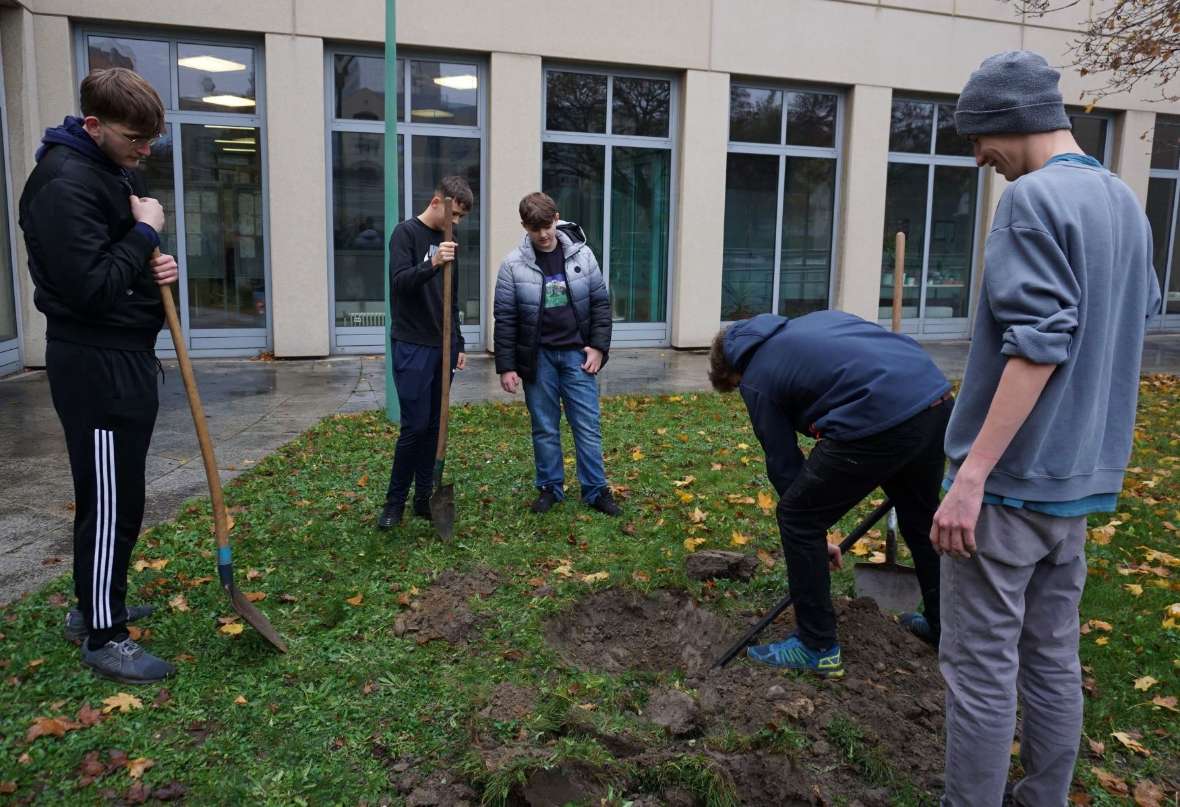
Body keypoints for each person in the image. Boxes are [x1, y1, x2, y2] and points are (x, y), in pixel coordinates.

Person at [932, 51, 1161, 807]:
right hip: (1079, 486)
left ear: (1007, 120)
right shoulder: (1123, 202)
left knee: (981, 667)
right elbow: (1132, 315)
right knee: (1052, 656)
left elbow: (1039, 342)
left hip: (1008, 490)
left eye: (978, 137)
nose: (978, 156)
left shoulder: (1030, 202)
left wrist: (971, 477)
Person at [19, 68, 179, 683]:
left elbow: (120, 262)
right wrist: (145, 233)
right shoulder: (64, 184)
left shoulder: (109, 171)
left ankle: (96, 601)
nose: (144, 152)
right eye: (135, 139)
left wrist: (150, 260)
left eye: (151, 142)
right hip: (96, 363)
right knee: (111, 501)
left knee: (119, 495)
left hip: (124, 354)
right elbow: (90, 290)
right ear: (93, 125)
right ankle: (102, 633)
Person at [708, 310, 953, 677]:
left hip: (880, 416)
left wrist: (812, 533)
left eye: (734, 386)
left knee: (796, 516)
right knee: (920, 521)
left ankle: (816, 645)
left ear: (732, 372)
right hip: (933, 398)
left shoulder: (757, 376)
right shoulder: (811, 323)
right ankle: (946, 631)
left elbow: (784, 463)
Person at [494, 192, 620, 516]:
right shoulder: (512, 265)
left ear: (556, 218)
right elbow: (505, 318)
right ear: (525, 226)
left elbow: (600, 305)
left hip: (577, 355)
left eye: (548, 226)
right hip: (539, 360)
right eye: (536, 229)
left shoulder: (583, 255)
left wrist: (599, 347)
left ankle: (595, 491)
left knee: (587, 424)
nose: (544, 234)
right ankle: (550, 488)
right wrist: (506, 367)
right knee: (545, 426)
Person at [377, 176, 471, 529]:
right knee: (414, 426)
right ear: (437, 202)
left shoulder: (450, 239)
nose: (457, 223)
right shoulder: (406, 234)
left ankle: (423, 499)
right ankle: (394, 503)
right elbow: (399, 284)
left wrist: (458, 341)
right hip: (412, 343)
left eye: (461, 218)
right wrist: (432, 264)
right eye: (455, 214)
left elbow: (453, 295)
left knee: (434, 426)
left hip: (442, 345)